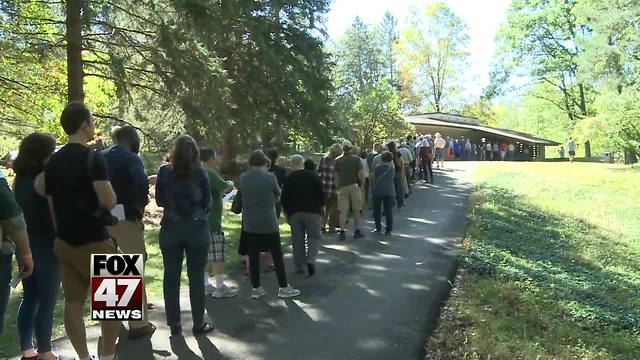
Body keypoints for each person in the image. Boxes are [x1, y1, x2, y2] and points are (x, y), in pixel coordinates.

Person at [44, 102, 120, 360]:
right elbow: (108, 200)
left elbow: (52, 206)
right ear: (84, 124)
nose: (94, 125)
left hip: (65, 241)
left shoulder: (53, 161)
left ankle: (84, 357)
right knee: (115, 303)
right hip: (95, 239)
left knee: (73, 304)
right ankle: (108, 356)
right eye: (92, 120)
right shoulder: (93, 157)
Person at [155, 135, 213, 336]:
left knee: (171, 276)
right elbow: (207, 201)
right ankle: (198, 323)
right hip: (196, 226)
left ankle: (174, 323)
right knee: (196, 277)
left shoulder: (164, 171)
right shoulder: (200, 172)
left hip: (171, 226)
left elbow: (160, 200)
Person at [102, 126, 156, 339]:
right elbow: (141, 183)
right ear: (133, 140)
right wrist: (139, 208)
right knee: (133, 264)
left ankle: (112, 319)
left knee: (110, 266)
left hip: (102, 217)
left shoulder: (99, 156)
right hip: (124, 214)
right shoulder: (132, 158)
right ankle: (139, 323)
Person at [12, 133, 63, 360]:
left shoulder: (18, 179)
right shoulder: (44, 178)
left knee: (30, 297)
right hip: (46, 245)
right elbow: (55, 214)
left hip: (25, 244)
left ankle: (27, 348)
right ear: (43, 154)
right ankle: (45, 350)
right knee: (48, 300)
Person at [239, 150, 300, 299]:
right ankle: (283, 286)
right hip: (268, 221)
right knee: (277, 254)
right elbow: (278, 196)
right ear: (264, 163)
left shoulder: (243, 178)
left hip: (249, 222)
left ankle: (256, 288)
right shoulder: (270, 177)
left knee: (253, 255)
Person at [199, 147, 237, 299]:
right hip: (212, 220)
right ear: (210, 158)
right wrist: (230, 183)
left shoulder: (192, 172)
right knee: (216, 253)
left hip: (197, 221)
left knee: (201, 255)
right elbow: (224, 187)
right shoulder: (209, 172)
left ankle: (204, 284)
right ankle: (220, 287)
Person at [281, 155, 324, 276]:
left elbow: (284, 198)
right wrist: (322, 207)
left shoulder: (289, 179)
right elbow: (321, 194)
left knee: (297, 240)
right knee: (314, 237)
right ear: (303, 163)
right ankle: (310, 260)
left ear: (291, 164)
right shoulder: (313, 175)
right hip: (313, 211)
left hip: (295, 213)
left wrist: (286, 213)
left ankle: (299, 266)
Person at [334, 140, 365, 241]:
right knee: (356, 210)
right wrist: (362, 187)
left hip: (342, 187)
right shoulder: (356, 159)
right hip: (354, 186)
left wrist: (337, 186)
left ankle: (342, 231)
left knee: (343, 211)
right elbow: (361, 174)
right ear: (351, 148)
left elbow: (336, 176)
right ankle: (357, 231)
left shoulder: (337, 160)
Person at [371, 151, 395, 235]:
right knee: (388, 211)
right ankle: (388, 229)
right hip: (389, 190)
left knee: (377, 210)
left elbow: (373, 178)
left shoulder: (378, 167)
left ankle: (378, 227)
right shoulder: (392, 169)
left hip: (378, 190)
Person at [318, 144, 341, 233]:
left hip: (324, 186)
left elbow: (319, 171)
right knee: (334, 208)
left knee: (324, 207)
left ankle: (322, 225)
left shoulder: (323, 159)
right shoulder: (338, 161)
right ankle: (331, 227)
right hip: (335, 187)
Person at [266, 149, 286, 219]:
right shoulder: (281, 170)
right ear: (277, 157)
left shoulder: (264, 170)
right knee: (275, 219)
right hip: (276, 197)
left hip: (265, 197)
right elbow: (284, 185)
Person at [386, 142, 405, 209]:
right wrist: (401, 170)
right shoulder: (397, 153)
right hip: (397, 171)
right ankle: (400, 203)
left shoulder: (386, 153)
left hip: (389, 172)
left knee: (390, 188)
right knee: (398, 188)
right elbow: (402, 162)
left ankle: (391, 203)